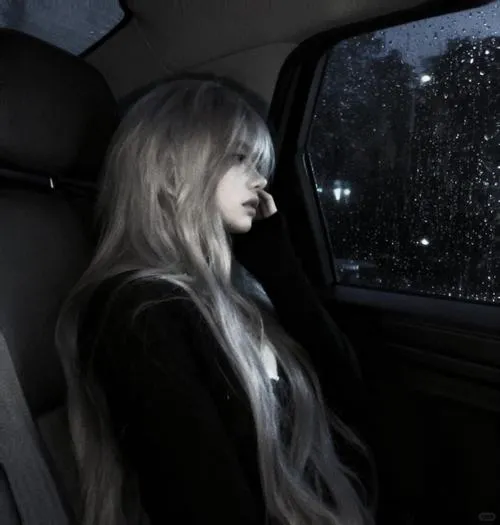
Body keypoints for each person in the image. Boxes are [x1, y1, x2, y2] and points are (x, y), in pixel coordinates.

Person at [55, 74, 378, 525]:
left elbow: (347, 398)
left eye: (259, 163)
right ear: (171, 169)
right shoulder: (139, 309)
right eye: (240, 158)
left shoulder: (238, 293)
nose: (260, 179)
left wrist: (276, 261)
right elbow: (204, 499)